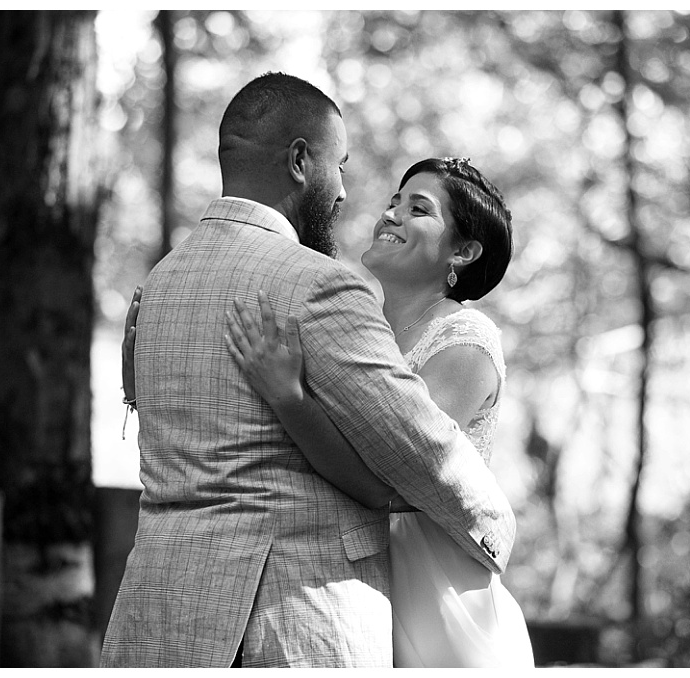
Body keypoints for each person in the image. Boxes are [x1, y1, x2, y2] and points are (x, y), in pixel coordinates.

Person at [100, 72, 515, 668]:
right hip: (288, 618)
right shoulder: (318, 286)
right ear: (300, 161)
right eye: (339, 165)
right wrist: (496, 527)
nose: (349, 193)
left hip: (161, 610)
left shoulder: (161, 281)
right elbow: (411, 461)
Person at [228, 157, 533, 667]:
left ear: (463, 250)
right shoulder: (358, 329)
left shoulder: (467, 340)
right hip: (344, 577)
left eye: (418, 208)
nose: (390, 214)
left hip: (434, 591)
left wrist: (290, 397)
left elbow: (390, 477)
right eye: (394, 201)